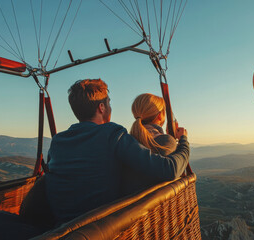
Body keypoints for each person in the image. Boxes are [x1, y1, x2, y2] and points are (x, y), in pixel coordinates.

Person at [45, 79, 190, 225]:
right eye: (109, 103)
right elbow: (168, 169)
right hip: (99, 227)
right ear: (101, 108)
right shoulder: (111, 134)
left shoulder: (58, 140)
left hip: (60, 227)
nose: (110, 108)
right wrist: (183, 141)